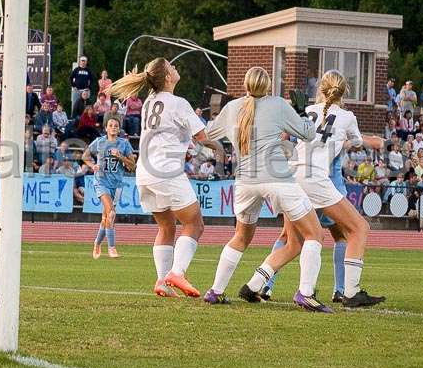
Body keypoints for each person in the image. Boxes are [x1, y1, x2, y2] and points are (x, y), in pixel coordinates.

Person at [200, 67, 333, 310]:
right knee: (315, 234)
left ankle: (215, 291)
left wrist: (223, 149)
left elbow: (205, 136)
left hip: (245, 181)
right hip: (277, 178)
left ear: (245, 85)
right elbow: (309, 134)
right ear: (268, 86)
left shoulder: (232, 108)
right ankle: (305, 293)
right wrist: (302, 111)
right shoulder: (278, 105)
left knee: (241, 237)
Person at [110, 58, 207, 298]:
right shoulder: (178, 103)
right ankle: (177, 273)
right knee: (194, 224)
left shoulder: (148, 102)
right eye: (172, 67)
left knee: (166, 226)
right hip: (166, 170)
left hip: (145, 171)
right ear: (167, 77)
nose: (176, 69)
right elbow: (203, 136)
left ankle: (162, 281)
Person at [292, 70, 386, 308]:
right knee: (358, 229)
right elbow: (354, 141)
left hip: (293, 177)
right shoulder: (347, 116)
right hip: (317, 179)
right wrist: (371, 140)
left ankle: (258, 283)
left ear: (320, 89)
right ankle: (350, 292)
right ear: (344, 92)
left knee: (292, 238)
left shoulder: (308, 112)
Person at [82, 117, 135, 259]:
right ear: (106, 128)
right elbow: (85, 156)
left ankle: (97, 243)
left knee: (105, 217)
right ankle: (112, 247)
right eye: (110, 125)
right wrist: (93, 166)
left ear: (119, 129)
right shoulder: (99, 142)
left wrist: (121, 157)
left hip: (117, 184)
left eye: (116, 125)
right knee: (111, 213)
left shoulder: (124, 144)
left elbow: (132, 165)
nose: (113, 127)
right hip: (101, 181)